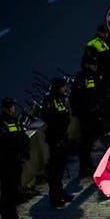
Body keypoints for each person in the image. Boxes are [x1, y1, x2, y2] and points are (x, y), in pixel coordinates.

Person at [0, 98, 29, 219]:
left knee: (14, 192)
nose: (11, 109)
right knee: (7, 193)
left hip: (16, 162)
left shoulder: (15, 121)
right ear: (4, 108)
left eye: (12, 106)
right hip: (7, 163)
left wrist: (25, 153)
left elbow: (22, 137)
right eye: (8, 107)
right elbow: (3, 140)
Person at [41, 77, 73, 208]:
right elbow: (50, 119)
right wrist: (57, 136)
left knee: (61, 168)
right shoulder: (50, 100)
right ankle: (55, 196)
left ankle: (60, 192)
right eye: (63, 87)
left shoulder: (61, 98)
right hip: (55, 138)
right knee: (55, 169)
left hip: (62, 136)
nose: (65, 89)